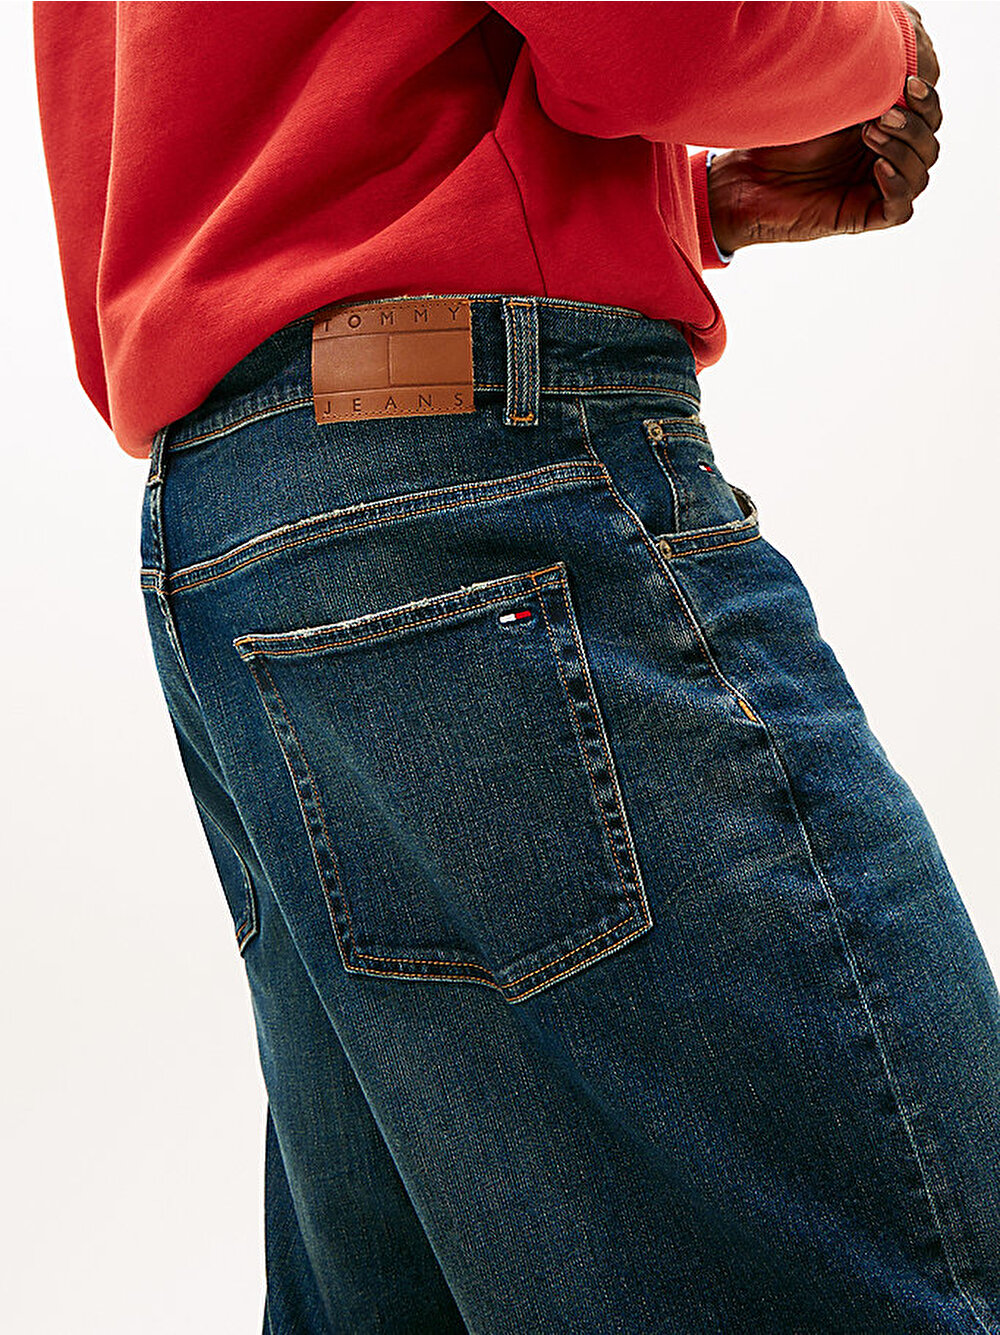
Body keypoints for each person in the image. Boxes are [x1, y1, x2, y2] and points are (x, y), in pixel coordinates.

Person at [32, 4, 1000, 1332]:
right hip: (477, 487)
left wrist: (674, 210)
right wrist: (879, 52)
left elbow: (247, 131)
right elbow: (659, 39)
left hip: (243, 520)